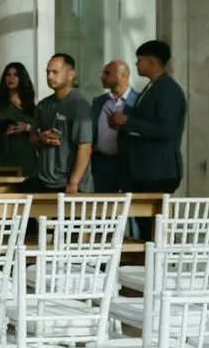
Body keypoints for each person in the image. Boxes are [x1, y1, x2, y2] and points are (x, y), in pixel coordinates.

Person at [109, 39, 187, 235]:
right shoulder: (151, 88)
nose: (136, 65)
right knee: (144, 228)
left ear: (151, 61)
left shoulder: (168, 90)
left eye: (139, 60)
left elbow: (166, 130)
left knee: (154, 229)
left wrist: (128, 121)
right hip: (143, 170)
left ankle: (155, 262)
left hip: (158, 171)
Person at [16, 53, 93, 195]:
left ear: (71, 74)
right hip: (44, 179)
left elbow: (85, 147)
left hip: (68, 183)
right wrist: (40, 138)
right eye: (48, 72)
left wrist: (74, 181)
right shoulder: (44, 105)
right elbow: (32, 138)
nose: (50, 76)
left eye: (55, 72)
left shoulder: (79, 105)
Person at [91, 60, 138, 193]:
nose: (102, 77)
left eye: (107, 73)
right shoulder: (98, 102)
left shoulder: (138, 102)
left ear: (122, 76)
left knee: (125, 208)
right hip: (101, 163)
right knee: (101, 208)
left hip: (126, 164)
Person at [0, 63, 37, 175]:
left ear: (21, 78)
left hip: (25, 151)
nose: (11, 78)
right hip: (3, 150)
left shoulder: (30, 101)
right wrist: (2, 131)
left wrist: (26, 127)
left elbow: (39, 127)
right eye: (8, 75)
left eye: (15, 75)